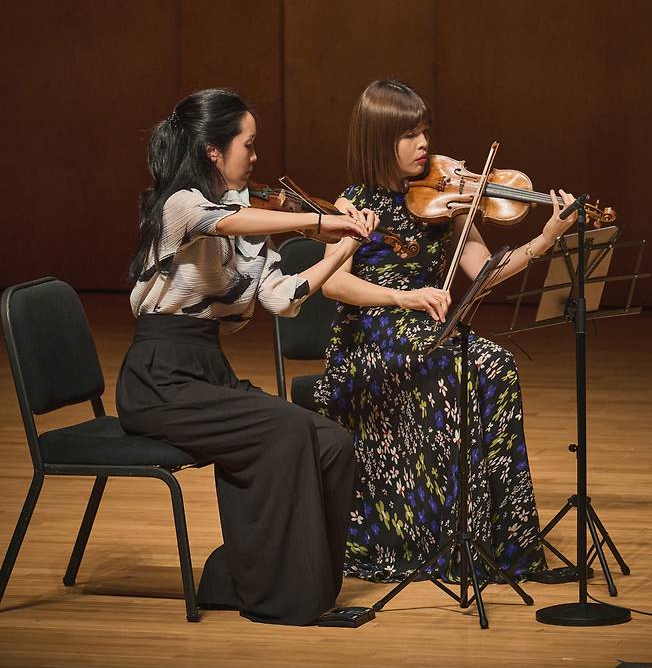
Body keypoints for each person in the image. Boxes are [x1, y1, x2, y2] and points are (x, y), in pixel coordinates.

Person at [116, 87, 375, 625]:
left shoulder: (249, 215)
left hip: (207, 370)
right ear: (215, 151)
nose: (256, 159)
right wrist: (319, 222)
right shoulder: (182, 204)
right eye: (249, 146)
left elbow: (282, 300)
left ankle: (246, 577)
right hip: (160, 377)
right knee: (284, 432)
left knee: (332, 441)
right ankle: (285, 599)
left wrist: (341, 250)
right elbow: (228, 223)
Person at [313, 79, 577, 583]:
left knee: (496, 366)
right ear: (377, 139)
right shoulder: (352, 203)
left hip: (427, 331)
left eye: (425, 132)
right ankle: (438, 538)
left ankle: (494, 543)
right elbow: (334, 284)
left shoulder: (448, 200)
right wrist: (403, 296)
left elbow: (486, 270)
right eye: (409, 135)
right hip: (370, 340)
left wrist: (545, 237)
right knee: (460, 368)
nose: (424, 145)